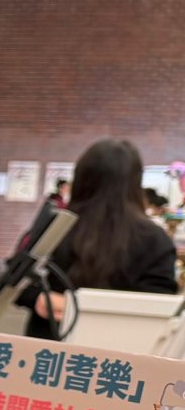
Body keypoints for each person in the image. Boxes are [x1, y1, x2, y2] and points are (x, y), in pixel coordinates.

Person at [17, 139, 178, 341]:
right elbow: (160, 300)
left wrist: (43, 298)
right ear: (135, 181)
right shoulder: (154, 238)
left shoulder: (56, 225)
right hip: (118, 345)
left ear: (81, 176)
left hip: (47, 344)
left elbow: (15, 279)